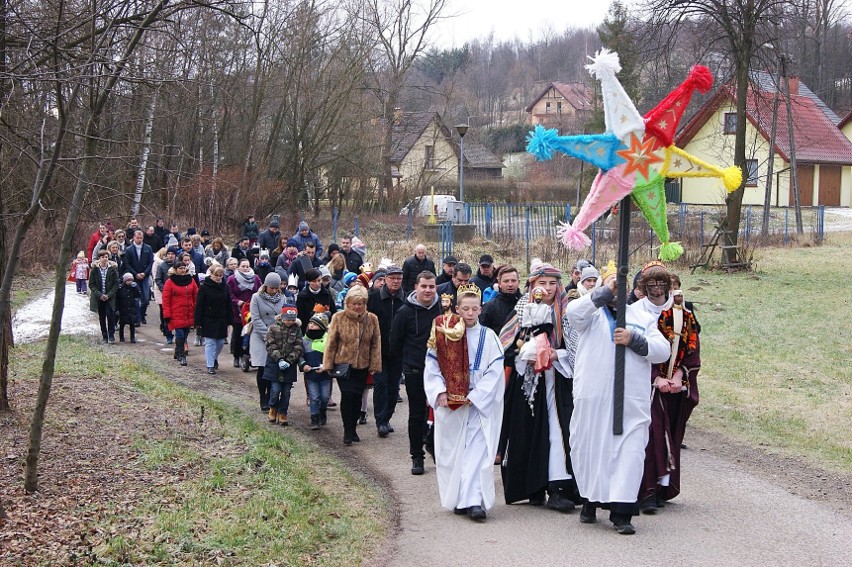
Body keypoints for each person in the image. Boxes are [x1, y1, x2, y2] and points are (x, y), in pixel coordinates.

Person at [566, 263, 670, 535]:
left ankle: (622, 513)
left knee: (630, 452)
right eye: (612, 284)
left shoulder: (641, 315)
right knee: (590, 450)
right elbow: (573, 314)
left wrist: (634, 339)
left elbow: (662, 350)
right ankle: (589, 501)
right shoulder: (592, 312)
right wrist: (604, 291)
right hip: (595, 399)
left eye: (620, 284)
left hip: (629, 402)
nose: (617, 289)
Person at [498, 261, 580, 513]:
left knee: (557, 431)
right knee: (528, 431)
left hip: (559, 380)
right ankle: (532, 486)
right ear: (532, 286)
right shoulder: (522, 309)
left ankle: (558, 487)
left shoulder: (567, 313)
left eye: (552, 284)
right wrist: (525, 352)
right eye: (541, 283)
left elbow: (577, 348)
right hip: (529, 382)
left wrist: (558, 355)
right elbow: (508, 342)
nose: (547, 289)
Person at [424, 284, 505, 522]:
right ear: (457, 308)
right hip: (452, 401)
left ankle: (474, 501)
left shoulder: (489, 336)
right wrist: (439, 391)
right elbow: (433, 364)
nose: (470, 313)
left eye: (474, 309)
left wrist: (478, 394)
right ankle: (459, 498)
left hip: (479, 403)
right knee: (454, 452)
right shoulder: (445, 332)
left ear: (480, 309)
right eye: (465, 309)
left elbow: (495, 370)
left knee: (477, 452)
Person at [635, 265, 701, 514]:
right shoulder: (635, 312)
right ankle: (647, 490)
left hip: (674, 384)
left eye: (661, 283)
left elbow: (691, 345)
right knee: (650, 435)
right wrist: (655, 378)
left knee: (669, 435)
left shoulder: (680, 311)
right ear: (643, 287)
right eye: (651, 284)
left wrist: (678, 374)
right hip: (646, 384)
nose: (656, 288)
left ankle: (663, 485)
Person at [390, 271, 441, 474]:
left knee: (442, 412)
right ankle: (417, 456)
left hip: (441, 371)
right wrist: (407, 362)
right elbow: (395, 342)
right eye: (424, 286)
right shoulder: (405, 312)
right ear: (416, 287)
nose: (428, 290)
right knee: (417, 413)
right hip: (415, 369)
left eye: (431, 286)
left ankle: (436, 447)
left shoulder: (443, 308)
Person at [322, 286, 382, 445]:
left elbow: (376, 343)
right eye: (353, 304)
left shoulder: (372, 319)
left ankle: (353, 428)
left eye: (360, 304)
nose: (357, 307)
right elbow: (331, 342)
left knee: (357, 398)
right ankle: (347, 431)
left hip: (362, 365)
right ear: (347, 303)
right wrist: (328, 363)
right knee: (348, 396)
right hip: (343, 364)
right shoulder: (338, 317)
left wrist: (375, 364)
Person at [367, 264, 405, 438]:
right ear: (386, 280)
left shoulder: (406, 299)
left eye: (399, 278)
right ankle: (380, 421)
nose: (395, 281)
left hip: (398, 351)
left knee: (393, 387)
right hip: (378, 351)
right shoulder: (373, 299)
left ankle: (387, 418)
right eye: (392, 278)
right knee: (381, 386)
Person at [249, 273, 288, 411]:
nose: (274, 290)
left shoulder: (282, 298)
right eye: (271, 287)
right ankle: (262, 396)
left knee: (274, 367)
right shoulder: (256, 297)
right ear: (265, 286)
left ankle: (272, 396)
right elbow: (255, 318)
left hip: (277, 336)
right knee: (262, 366)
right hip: (260, 335)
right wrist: (267, 334)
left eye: (276, 288)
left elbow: (285, 317)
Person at [263, 304, 304, 426]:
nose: (290, 322)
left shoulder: (297, 330)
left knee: (286, 392)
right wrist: (279, 359)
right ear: (282, 317)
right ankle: (273, 408)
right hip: (274, 365)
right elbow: (270, 344)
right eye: (288, 319)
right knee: (275, 390)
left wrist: (290, 360)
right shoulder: (273, 328)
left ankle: (283, 412)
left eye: (292, 319)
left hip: (289, 366)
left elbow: (298, 346)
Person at [194, 265, 232, 375]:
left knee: (220, 342)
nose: (218, 278)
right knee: (210, 342)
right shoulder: (204, 286)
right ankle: (210, 365)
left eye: (221, 275)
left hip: (222, 318)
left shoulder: (225, 286)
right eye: (216, 275)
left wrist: (230, 319)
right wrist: (198, 321)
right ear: (211, 274)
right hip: (208, 318)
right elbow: (199, 305)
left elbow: (228, 303)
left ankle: (214, 357)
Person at [162, 257, 199, 365]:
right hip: (176, 312)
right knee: (180, 334)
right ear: (175, 269)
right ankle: (181, 355)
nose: (182, 270)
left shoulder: (190, 280)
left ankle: (178, 350)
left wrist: (196, 309)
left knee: (186, 333)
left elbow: (196, 295)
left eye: (184, 268)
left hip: (188, 312)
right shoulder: (170, 282)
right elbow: (166, 299)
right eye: (180, 268)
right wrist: (167, 314)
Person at [227, 258, 261, 367]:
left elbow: (260, 291)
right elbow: (229, 294)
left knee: (252, 333)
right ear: (238, 267)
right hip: (238, 311)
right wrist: (238, 302)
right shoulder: (232, 279)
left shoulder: (255, 278)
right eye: (243, 266)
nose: (245, 269)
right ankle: (237, 356)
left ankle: (249, 355)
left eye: (247, 266)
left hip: (252, 310)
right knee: (238, 334)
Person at [300, 312, 331, 430]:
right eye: (311, 323)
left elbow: (332, 355)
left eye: (315, 324)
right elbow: (300, 355)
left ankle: (323, 411)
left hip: (325, 374)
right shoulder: (304, 340)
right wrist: (303, 365)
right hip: (311, 375)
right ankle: (314, 417)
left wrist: (326, 366)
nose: (311, 326)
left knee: (324, 397)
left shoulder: (328, 339)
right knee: (314, 397)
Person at [123, 229, 154, 325]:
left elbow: (150, 262)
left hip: (144, 276)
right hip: (134, 276)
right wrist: (135, 274)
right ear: (134, 238)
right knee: (136, 298)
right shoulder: (129, 249)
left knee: (145, 299)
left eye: (141, 238)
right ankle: (137, 318)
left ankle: (142, 314)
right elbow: (127, 264)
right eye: (137, 238)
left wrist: (145, 273)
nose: (139, 239)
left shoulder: (148, 248)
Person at [479, 265, 521, 335]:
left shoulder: (526, 303)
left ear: (518, 282)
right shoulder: (490, 307)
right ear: (499, 283)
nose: (510, 284)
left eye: (513, 281)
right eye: (506, 281)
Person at [89, 250, 119, 344]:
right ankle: (104, 335)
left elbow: (116, 284)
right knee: (102, 317)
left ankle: (111, 334)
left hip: (109, 297)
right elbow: (92, 284)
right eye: (102, 257)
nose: (104, 259)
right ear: (99, 258)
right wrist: (99, 295)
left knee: (111, 315)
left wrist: (109, 295)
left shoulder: (112, 269)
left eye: (106, 257)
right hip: (99, 297)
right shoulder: (94, 270)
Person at [295, 268, 336, 332]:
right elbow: (300, 316)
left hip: (324, 329)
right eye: (314, 281)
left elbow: (333, 312)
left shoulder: (326, 294)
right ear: (308, 282)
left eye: (319, 280)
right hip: (308, 329)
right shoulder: (302, 296)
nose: (317, 284)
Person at [154, 248, 176, 344]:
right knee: (165, 314)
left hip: (176, 294)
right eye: (169, 254)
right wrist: (164, 289)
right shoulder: (162, 266)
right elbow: (158, 279)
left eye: (172, 254)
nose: (170, 256)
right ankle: (168, 334)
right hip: (165, 294)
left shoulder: (178, 265)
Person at [116, 273, 141, 343]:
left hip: (132, 308)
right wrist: (117, 309)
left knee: (132, 324)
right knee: (122, 323)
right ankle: (121, 337)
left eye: (131, 280)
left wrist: (136, 288)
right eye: (128, 280)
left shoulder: (133, 288)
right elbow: (117, 299)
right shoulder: (120, 288)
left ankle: (132, 337)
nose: (129, 282)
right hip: (123, 308)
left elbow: (138, 295)